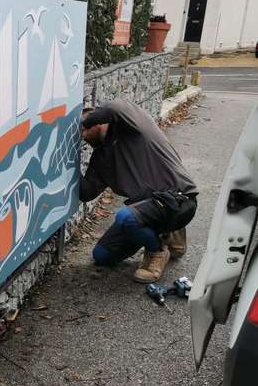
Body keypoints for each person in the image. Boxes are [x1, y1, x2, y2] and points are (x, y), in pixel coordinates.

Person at [80, 98, 198, 282]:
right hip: (145, 209)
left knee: (124, 217)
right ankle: (167, 232)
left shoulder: (131, 126)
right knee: (102, 256)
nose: (82, 136)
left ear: (99, 120)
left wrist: (83, 122)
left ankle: (157, 251)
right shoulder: (101, 158)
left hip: (178, 199)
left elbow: (115, 107)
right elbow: (86, 193)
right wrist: (66, 165)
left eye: (85, 129)